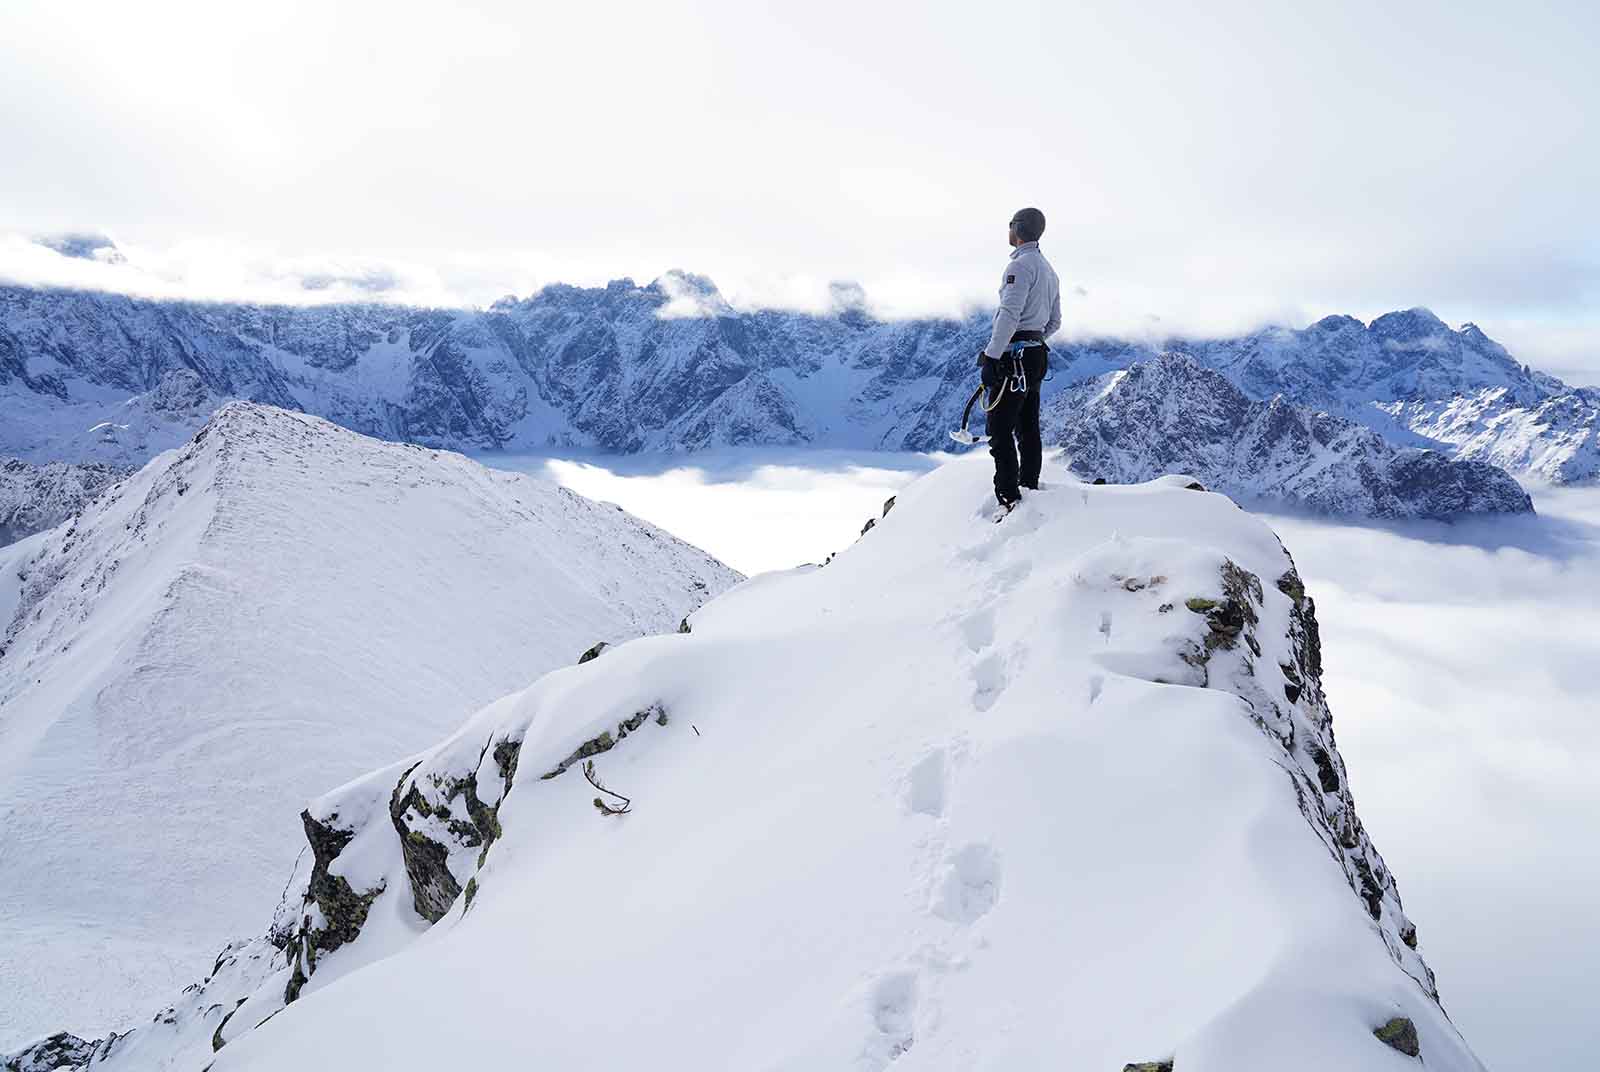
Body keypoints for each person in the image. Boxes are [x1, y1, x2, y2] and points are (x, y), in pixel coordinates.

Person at [978, 207, 1060, 511]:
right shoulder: (1049, 270)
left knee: (999, 428)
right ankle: (1029, 486)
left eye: (1010, 224)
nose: (1008, 230)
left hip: (1016, 358)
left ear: (1018, 229)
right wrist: (1033, 341)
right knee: (1028, 426)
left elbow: (1009, 315)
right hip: (1037, 354)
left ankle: (1009, 498)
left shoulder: (1020, 267)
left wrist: (992, 355)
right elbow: (1055, 322)